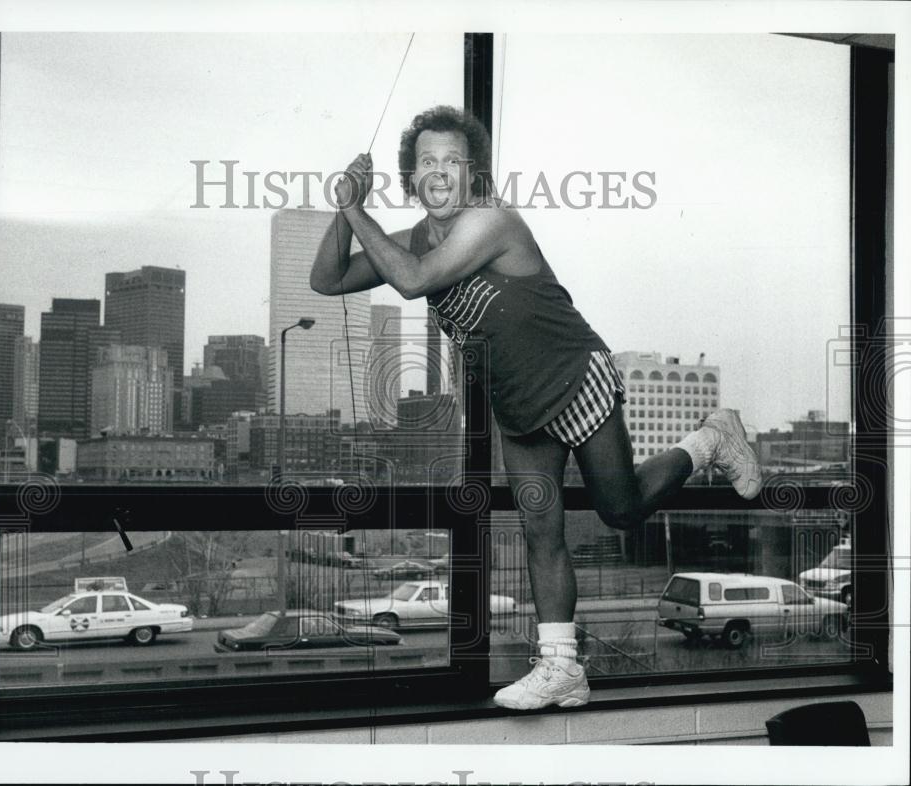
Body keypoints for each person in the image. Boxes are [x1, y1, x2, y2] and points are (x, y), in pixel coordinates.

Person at [310, 105, 762, 710]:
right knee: (539, 529)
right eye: (427, 163)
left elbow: (414, 281)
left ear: (473, 175)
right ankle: (561, 669)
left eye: (453, 161)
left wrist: (354, 208)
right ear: (410, 177)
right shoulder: (413, 239)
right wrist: (346, 208)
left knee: (620, 508)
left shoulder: (491, 221)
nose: (440, 173)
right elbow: (327, 279)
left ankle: (712, 437)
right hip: (518, 404)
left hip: (574, 377)